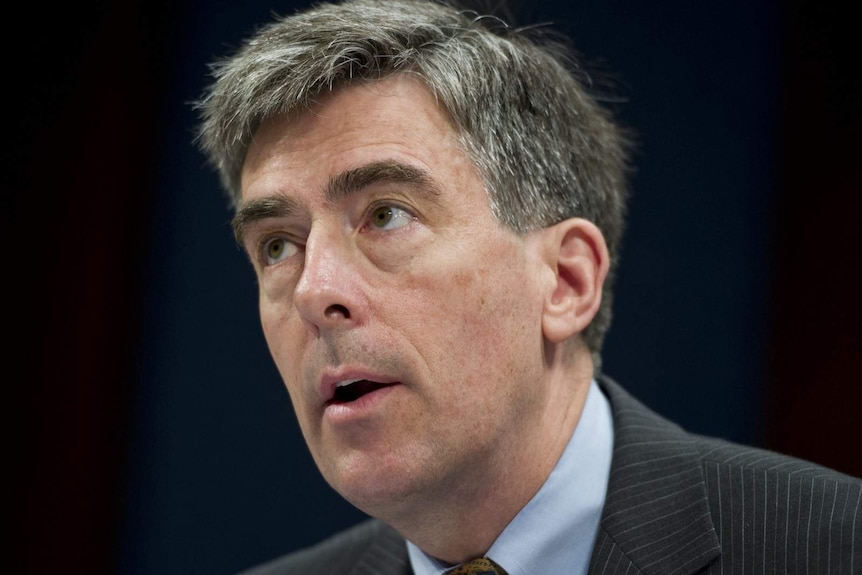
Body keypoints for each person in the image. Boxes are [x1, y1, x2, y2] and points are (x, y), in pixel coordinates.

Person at [194, 0, 862, 573]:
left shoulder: (830, 546)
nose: (314, 291)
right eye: (277, 245)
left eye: (386, 214)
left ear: (567, 281)